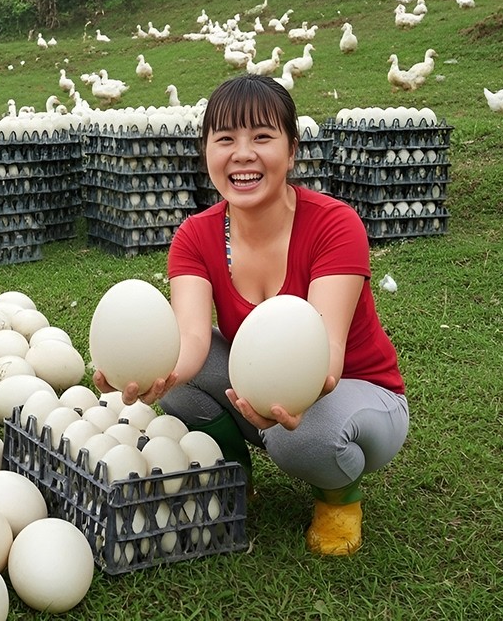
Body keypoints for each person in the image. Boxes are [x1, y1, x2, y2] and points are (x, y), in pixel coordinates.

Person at [94, 74, 408, 556]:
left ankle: (339, 498)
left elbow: (326, 352)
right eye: (225, 139)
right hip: (264, 383)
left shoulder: (334, 225)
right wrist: (162, 371)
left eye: (262, 137)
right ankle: (234, 476)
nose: (242, 154)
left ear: (292, 148)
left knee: (296, 438)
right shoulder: (195, 238)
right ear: (206, 152)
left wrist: (282, 392)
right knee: (181, 389)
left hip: (360, 394)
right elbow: (193, 338)